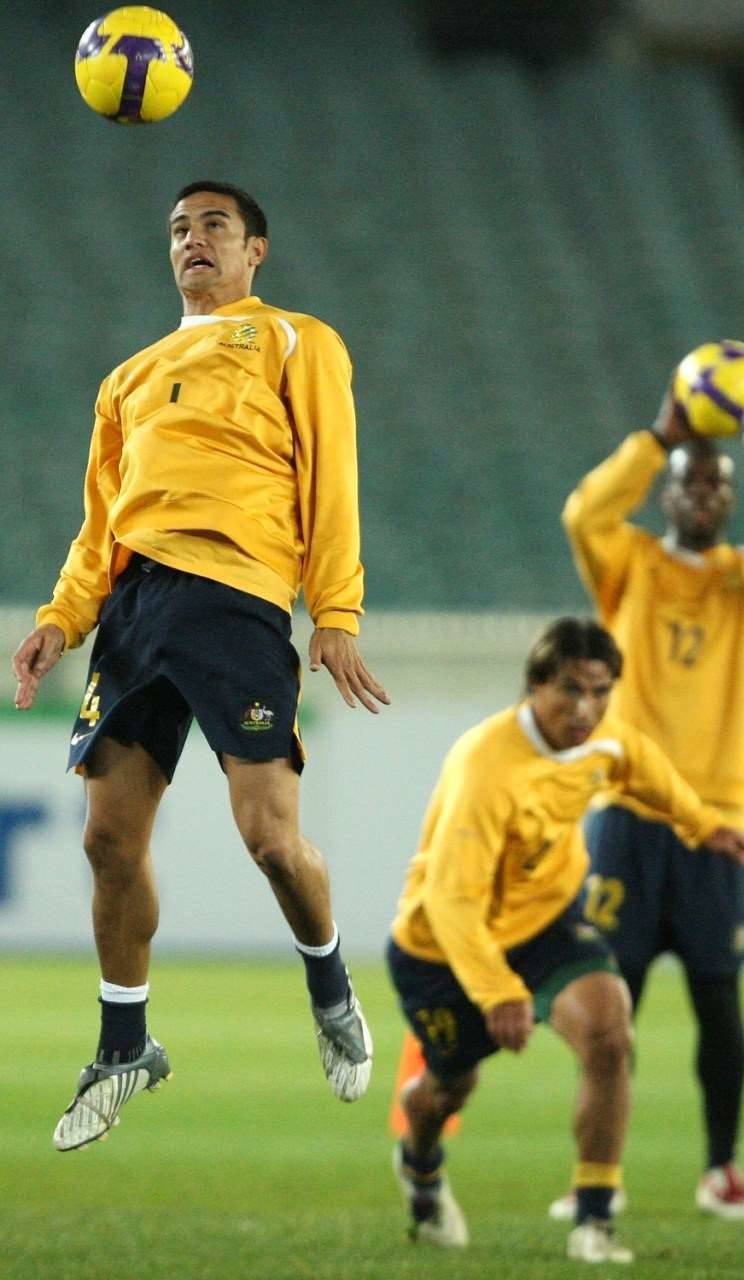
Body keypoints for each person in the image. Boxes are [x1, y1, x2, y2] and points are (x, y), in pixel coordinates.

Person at [11, 181, 389, 1152]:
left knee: (270, 838)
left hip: (237, 598)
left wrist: (335, 611)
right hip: (135, 608)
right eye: (179, 227)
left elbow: (333, 474)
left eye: (215, 225)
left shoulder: (296, 339)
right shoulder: (126, 379)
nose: (193, 239)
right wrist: (62, 618)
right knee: (107, 840)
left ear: (256, 249)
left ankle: (329, 980)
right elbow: (100, 525)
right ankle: (123, 1044)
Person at [386, 617, 744, 1265]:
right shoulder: (486, 766)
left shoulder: (602, 738)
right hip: (443, 947)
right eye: (571, 691)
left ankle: (594, 1220)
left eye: (601, 691)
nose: (586, 709)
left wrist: (703, 824)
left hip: (547, 923)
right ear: (535, 686)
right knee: (448, 1090)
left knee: (610, 1032)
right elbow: (451, 900)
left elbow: (643, 767)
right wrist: (497, 991)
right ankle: (420, 1163)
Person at [555, 380, 744, 1221]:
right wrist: (654, 439)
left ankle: (722, 1169)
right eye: (690, 480)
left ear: (729, 500)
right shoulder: (630, 567)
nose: (704, 493)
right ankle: (596, 1175)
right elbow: (584, 515)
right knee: (611, 1006)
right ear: (667, 493)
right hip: (631, 816)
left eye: (718, 484)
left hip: (719, 826)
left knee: (720, 1001)